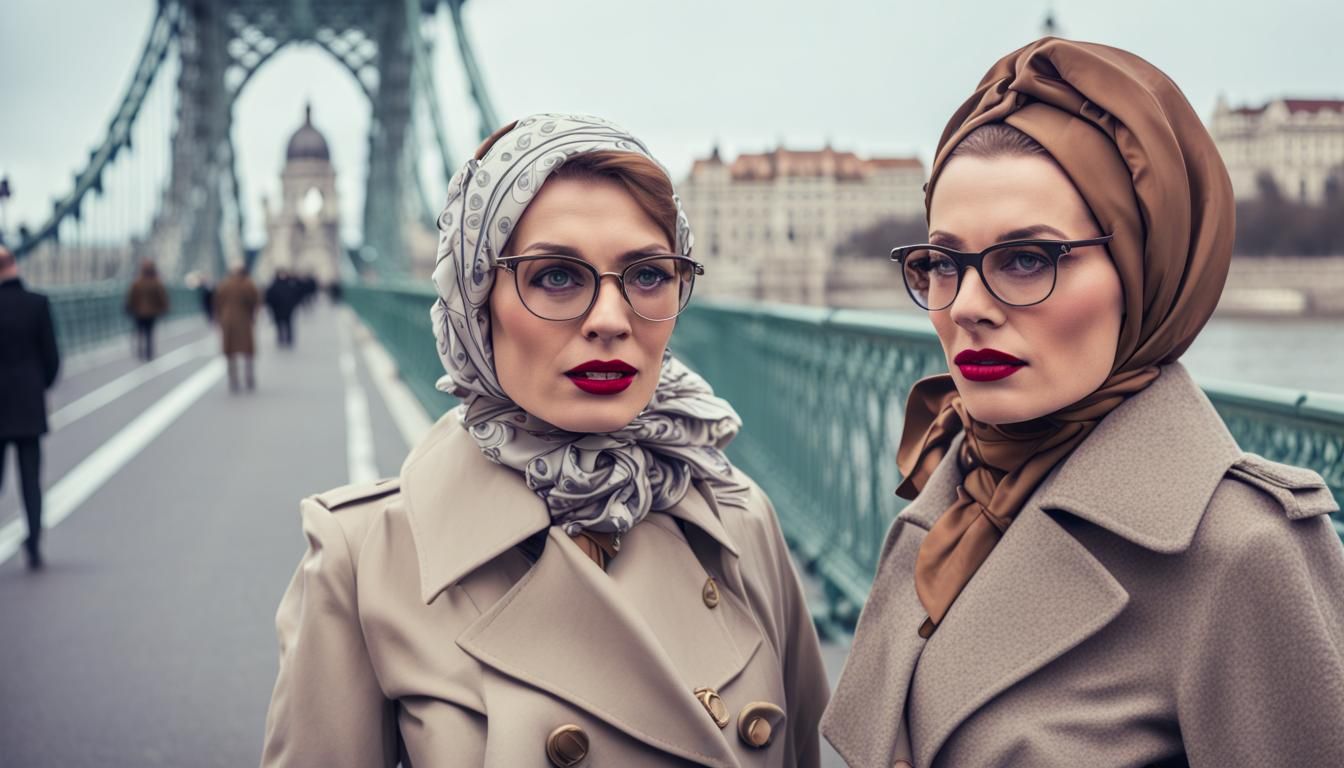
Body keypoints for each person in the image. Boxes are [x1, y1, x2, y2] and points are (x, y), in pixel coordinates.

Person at [822, 38, 1344, 767]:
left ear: (1142, 273)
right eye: (942, 262)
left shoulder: (1243, 553)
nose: (965, 306)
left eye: (1026, 259)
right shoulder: (954, 494)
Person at [261, 114, 830, 767]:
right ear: (477, 301)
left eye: (648, 275)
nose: (610, 321)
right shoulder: (363, 563)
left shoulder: (740, 522)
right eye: (557, 276)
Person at [0, 245, 60, 570]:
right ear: (15, 266)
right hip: (28, 403)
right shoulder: (37, 303)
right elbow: (52, 358)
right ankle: (34, 542)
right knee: (30, 480)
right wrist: (38, 386)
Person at [212, 264, 259, 392]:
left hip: (227, 321)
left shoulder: (224, 284)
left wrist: (219, 318)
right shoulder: (248, 284)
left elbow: (217, 303)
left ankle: (233, 380)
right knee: (248, 350)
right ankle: (249, 378)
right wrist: (252, 315)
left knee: (230, 351)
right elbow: (254, 301)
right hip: (244, 320)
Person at [124, 258, 169, 360]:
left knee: (140, 331)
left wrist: (129, 307)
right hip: (152, 313)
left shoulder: (137, 283)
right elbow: (162, 297)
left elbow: (131, 297)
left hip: (139, 312)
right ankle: (149, 353)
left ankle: (140, 351)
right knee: (149, 333)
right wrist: (164, 308)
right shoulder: (156, 282)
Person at [264, 268, 300, 348]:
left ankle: (289, 339)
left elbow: (296, 295)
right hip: (277, 309)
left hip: (288, 309)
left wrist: (292, 305)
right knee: (279, 325)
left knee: (288, 324)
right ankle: (280, 339)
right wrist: (272, 306)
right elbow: (269, 297)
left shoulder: (290, 285)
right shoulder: (274, 285)